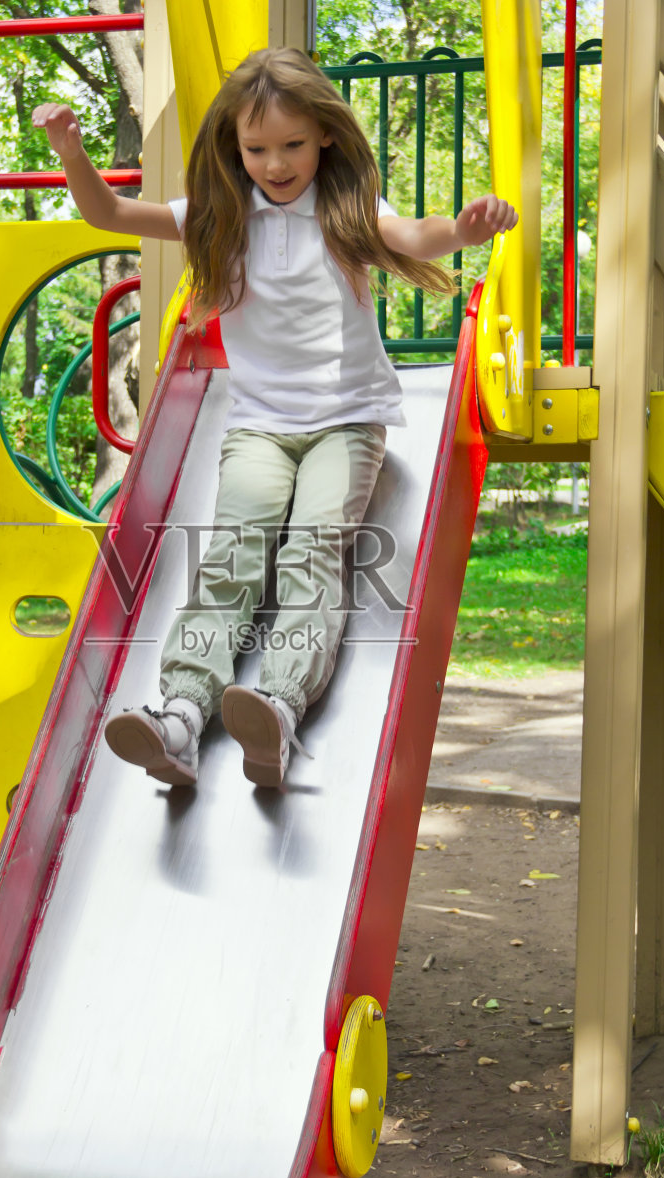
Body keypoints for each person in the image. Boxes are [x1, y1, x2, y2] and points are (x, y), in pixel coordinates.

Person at [33, 48, 516, 790]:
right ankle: (182, 715)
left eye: (292, 144)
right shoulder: (220, 218)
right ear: (233, 146)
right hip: (259, 424)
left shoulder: (346, 210)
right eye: (256, 149)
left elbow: (420, 238)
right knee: (231, 554)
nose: (275, 163)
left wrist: (464, 230)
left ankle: (279, 707)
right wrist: (73, 154)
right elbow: (110, 213)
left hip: (346, 422)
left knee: (313, 551)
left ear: (325, 135)